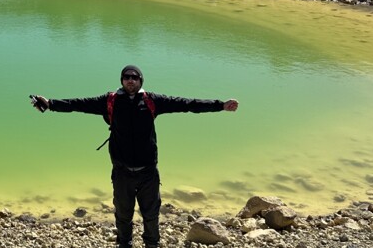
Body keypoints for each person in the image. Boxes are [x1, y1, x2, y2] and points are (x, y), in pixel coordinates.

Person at [31, 65, 238, 248]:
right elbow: (79, 104)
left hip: (148, 171)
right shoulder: (110, 100)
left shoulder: (152, 101)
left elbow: (187, 104)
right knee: (123, 216)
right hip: (122, 172)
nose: (130, 80)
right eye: (127, 77)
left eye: (135, 77)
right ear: (122, 81)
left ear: (140, 81)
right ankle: (124, 244)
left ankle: (152, 244)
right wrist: (50, 104)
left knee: (151, 216)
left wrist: (220, 105)